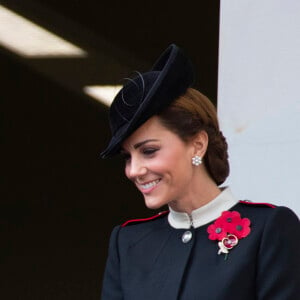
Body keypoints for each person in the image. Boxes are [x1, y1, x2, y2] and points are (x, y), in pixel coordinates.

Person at [100, 44, 300, 299]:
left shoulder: (267, 229)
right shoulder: (127, 242)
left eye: (149, 151)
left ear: (198, 144)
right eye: (128, 157)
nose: (133, 170)